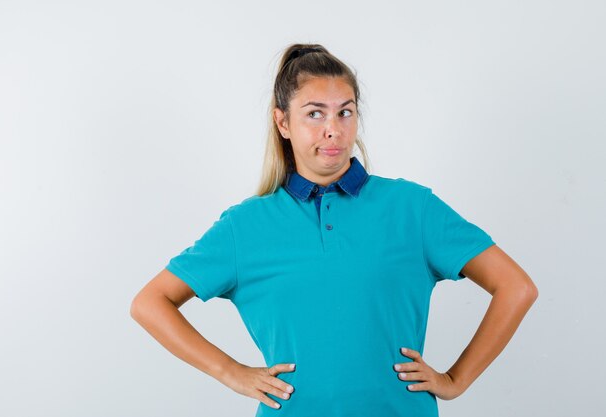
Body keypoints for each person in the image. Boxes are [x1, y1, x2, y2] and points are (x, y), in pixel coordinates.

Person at [130, 43, 538, 417]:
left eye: (345, 112)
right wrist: (230, 372)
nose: (334, 129)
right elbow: (151, 302)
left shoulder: (412, 209)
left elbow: (516, 287)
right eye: (314, 113)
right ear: (283, 122)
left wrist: (456, 380)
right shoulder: (245, 226)